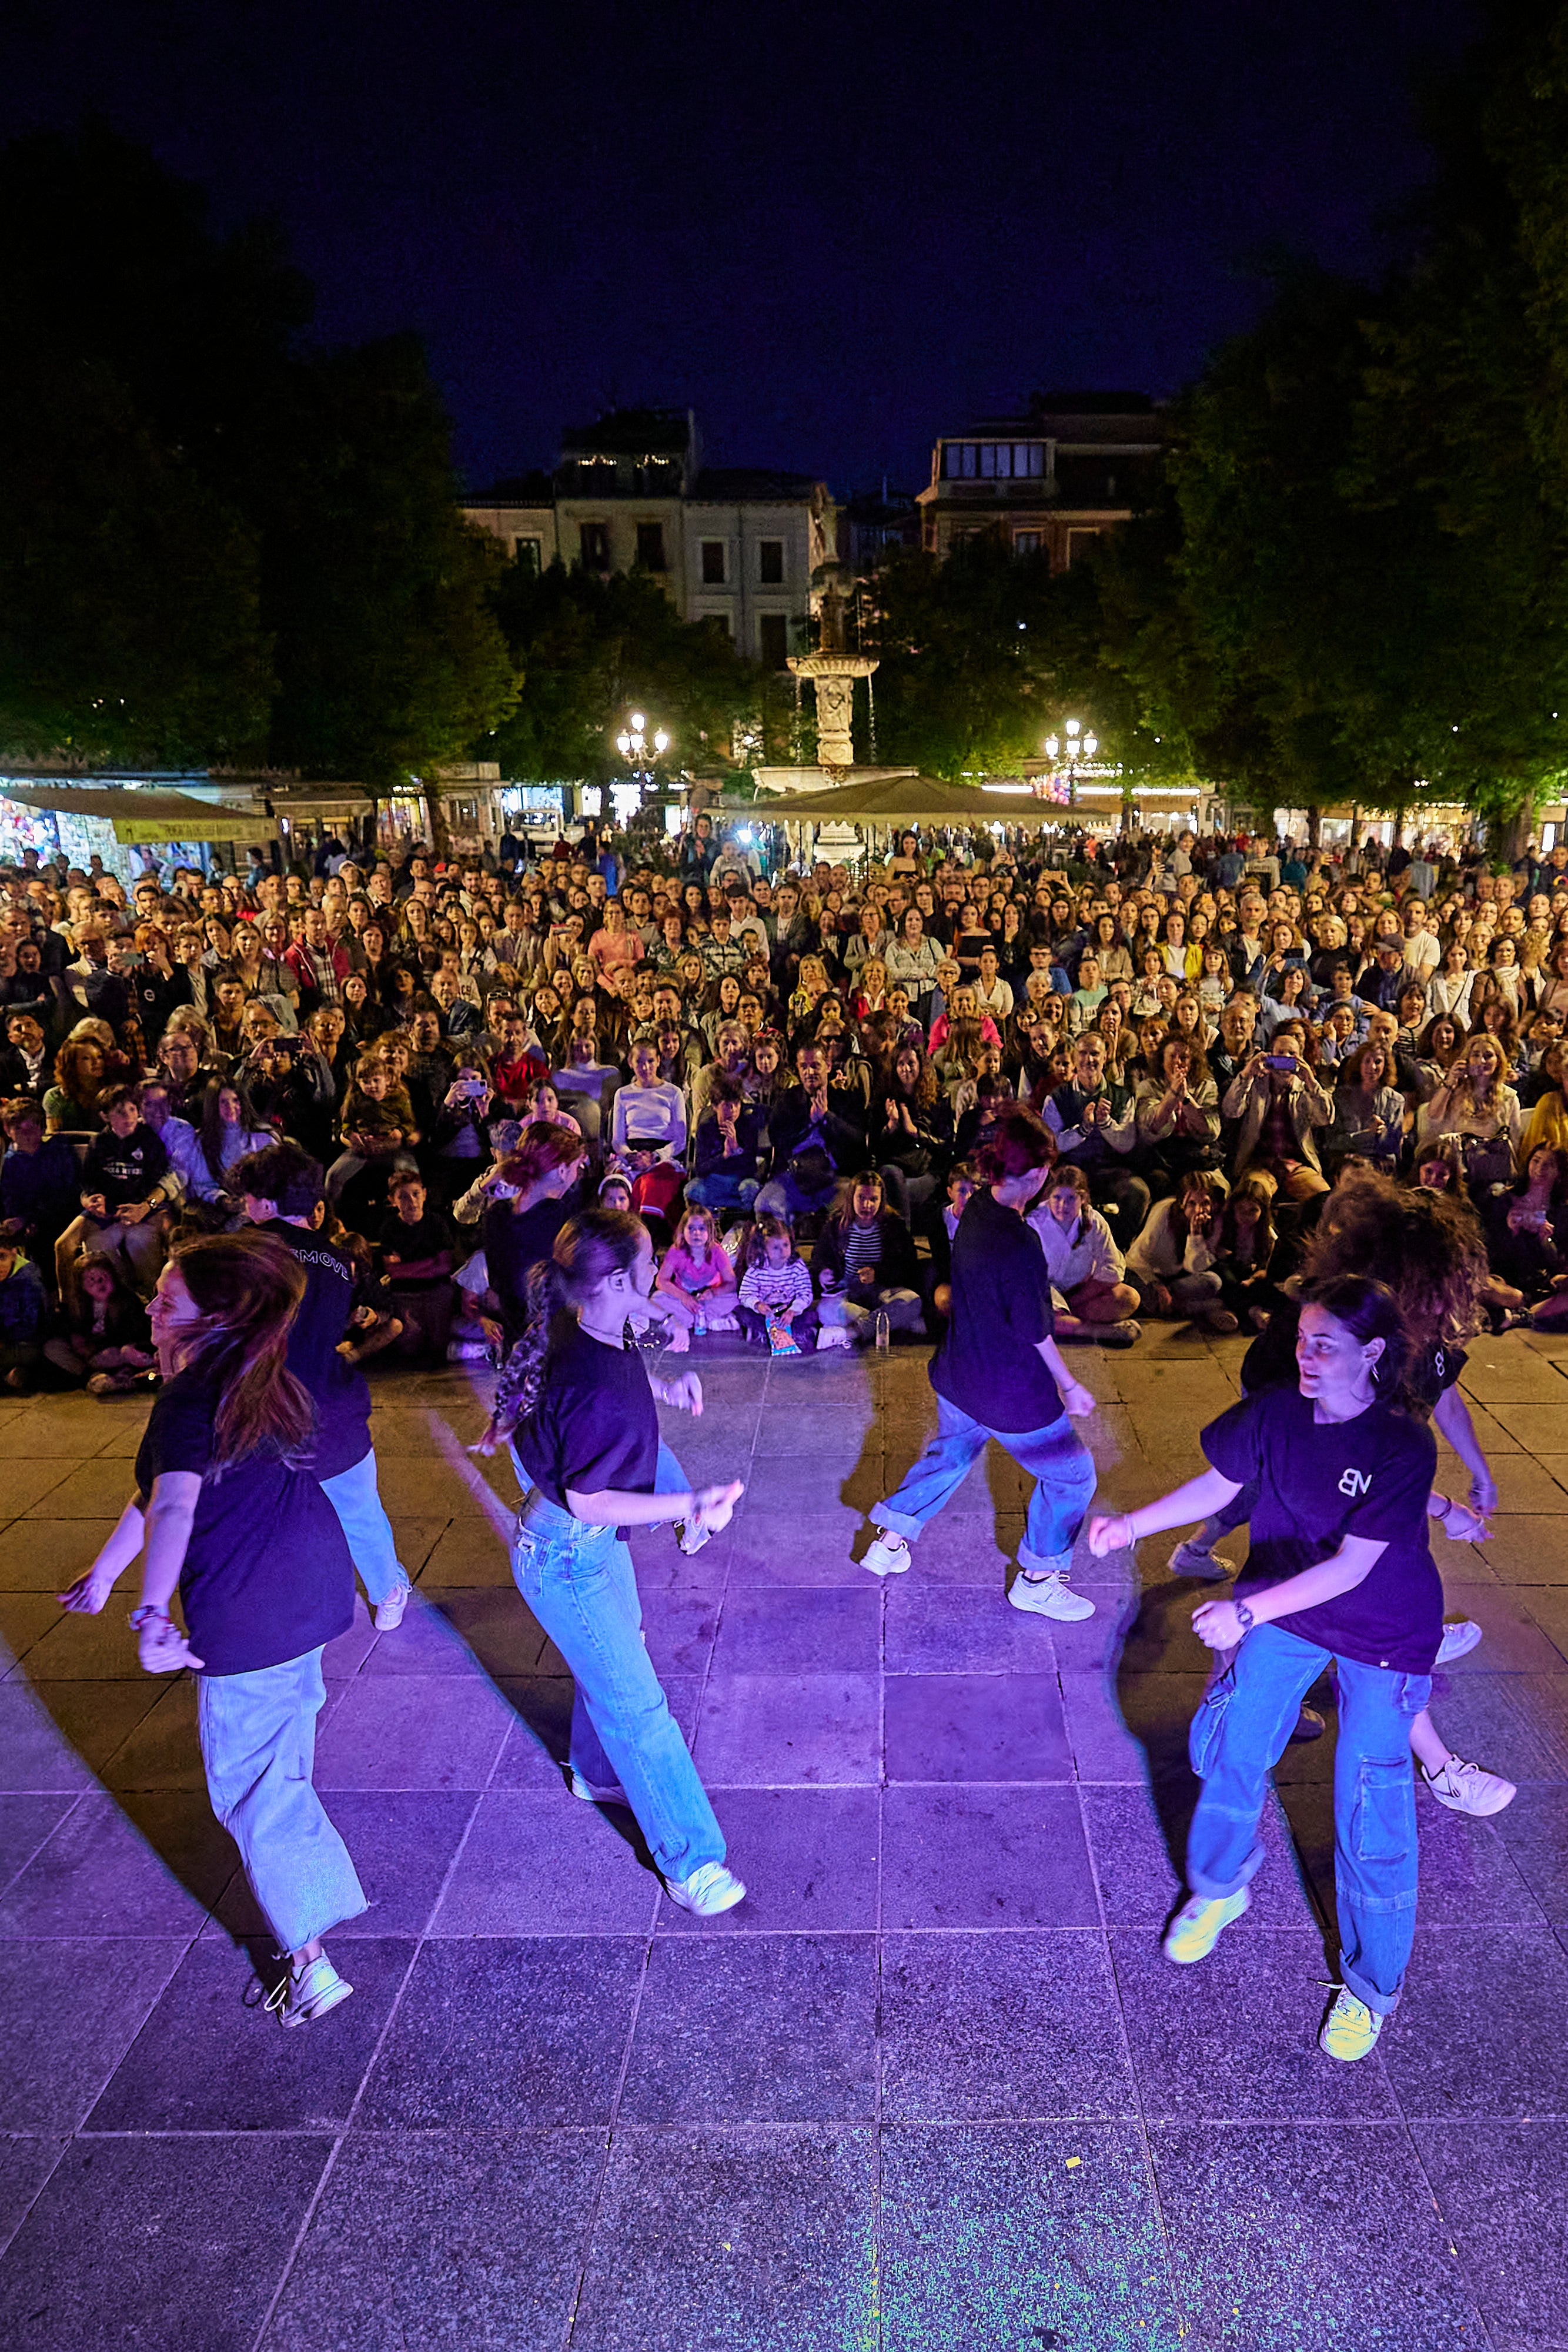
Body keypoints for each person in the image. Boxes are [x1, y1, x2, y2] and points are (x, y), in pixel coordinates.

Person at [1088, 1277, 1462, 2062]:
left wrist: (1245, 1613)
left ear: (1372, 1353)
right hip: (1288, 1604)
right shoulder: (1274, 1412)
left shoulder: (1400, 1444)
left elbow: (1353, 1570)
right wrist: (1128, 1525)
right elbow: (1222, 1482)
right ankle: (1218, 1888)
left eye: (1323, 1344)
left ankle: (1368, 1989)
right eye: (1299, 1339)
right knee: (1229, 1747)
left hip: (1380, 1628)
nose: (1305, 1355)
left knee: (1369, 1804)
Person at [58, 1232, 366, 2026]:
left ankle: (309, 1962)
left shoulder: (189, 1397)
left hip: (250, 1610)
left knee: (255, 1792)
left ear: (215, 1316)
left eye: (168, 1299)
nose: (151, 1307)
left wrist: (155, 1612)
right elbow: (155, 1491)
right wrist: (105, 1570)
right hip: (311, 1592)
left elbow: (176, 1505)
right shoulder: (252, 1374)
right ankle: (315, 1902)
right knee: (281, 1759)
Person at [474, 1208, 748, 1917]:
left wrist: (664, 1388)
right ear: (619, 1278)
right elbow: (592, 1502)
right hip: (568, 1551)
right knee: (640, 1706)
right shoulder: (585, 1367)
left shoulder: (586, 1320)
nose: (658, 1271)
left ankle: (595, 1772)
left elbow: (616, 1377)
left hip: (574, 1546)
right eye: (651, 1260)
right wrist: (689, 1504)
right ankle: (692, 1863)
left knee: (623, 1656)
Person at [859, 1106, 1100, 1620]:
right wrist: (1070, 1385)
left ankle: (891, 1538)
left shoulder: (973, 1212)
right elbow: (1035, 1329)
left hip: (959, 1374)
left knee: (952, 1453)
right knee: (1072, 1478)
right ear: (1037, 1176)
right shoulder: (1019, 1242)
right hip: (1008, 1392)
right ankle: (1038, 1577)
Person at [233, 1142, 413, 1633]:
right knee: (359, 1510)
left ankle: (288, 1606)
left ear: (266, 1204)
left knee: (271, 1516)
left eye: (248, 1199)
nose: (245, 1209)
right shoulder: (338, 1260)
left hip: (269, 1410)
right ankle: (388, 1592)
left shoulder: (247, 1253)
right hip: (333, 1407)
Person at [811, 1172, 925, 1349]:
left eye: (873, 1199)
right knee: (825, 1310)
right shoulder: (836, 1225)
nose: (867, 1205)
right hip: (849, 1293)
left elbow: (908, 1265)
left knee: (911, 1301)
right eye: (861, 1198)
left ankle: (850, 1332)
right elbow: (820, 1257)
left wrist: (878, 1273)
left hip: (882, 1291)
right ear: (852, 1198)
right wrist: (823, 1272)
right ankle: (886, 1322)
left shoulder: (893, 1225)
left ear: (881, 1200)